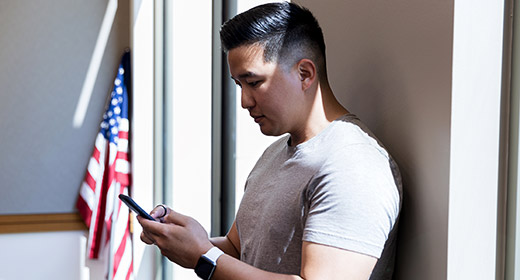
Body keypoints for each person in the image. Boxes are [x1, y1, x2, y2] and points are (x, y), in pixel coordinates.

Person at [138, 2, 402, 280]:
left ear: (305, 74)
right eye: (239, 85)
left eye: (253, 83)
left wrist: (204, 257)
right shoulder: (275, 153)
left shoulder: (353, 166)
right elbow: (240, 252)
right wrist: (181, 240)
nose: (244, 101)